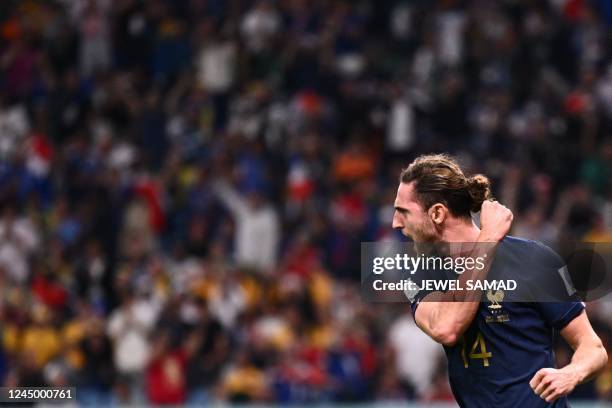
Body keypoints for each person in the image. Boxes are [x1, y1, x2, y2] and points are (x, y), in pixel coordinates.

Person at [391, 154, 608, 407]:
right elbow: (446, 328)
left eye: (403, 212)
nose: (396, 223)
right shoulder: (419, 273)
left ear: (437, 213)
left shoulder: (533, 259)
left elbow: (593, 348)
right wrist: (488, 240)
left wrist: (571, 373)